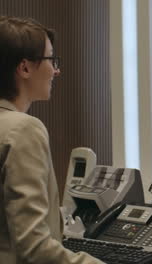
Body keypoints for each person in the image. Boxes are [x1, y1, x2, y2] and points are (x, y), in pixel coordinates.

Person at [0, 16, 102, 263]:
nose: (57, 70)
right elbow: (34, 248)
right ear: (24, 68)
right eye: (51, 59)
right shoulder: (23, 129)